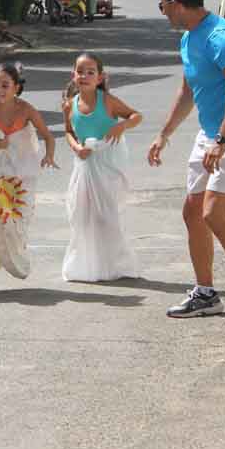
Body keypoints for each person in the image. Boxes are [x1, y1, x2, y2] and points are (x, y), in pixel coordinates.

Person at [148, 0, 225, 324]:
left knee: (213, 214)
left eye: (162, 4)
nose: (161, 11)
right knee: (192, 212)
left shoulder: (222, 36)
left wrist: (223, 140)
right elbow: (188, 89)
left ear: (176, 4)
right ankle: (206, 293)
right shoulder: (189, 38)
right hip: (209, 135)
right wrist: (164, 134)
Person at [61, 52, 142, 282]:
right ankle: (86, 264)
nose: (84, 76)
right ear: (73, 75)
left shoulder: (107, 101)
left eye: (90, 72)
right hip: (85, 164)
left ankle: (116, 263)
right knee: (81, 214)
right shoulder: (70, 105)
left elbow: (137, 116)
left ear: (100, 77)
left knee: (107, 214)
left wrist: (121, 126)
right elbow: (68, 131)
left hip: (108, 162)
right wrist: (76, 147)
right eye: (80, 72)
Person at [0, 63, 58, 279]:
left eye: (5, 85)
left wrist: (49, 156)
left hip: (23, 170)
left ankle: (14, 258)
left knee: (18, 216)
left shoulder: (26, 109)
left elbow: (48, 135)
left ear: (16, 87)